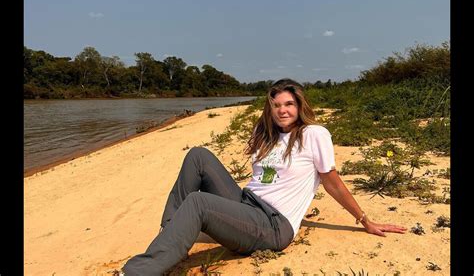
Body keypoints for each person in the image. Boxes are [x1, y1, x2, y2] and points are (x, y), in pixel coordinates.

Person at [121, 78, 407, 275]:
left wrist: (364, 220)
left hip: (272, 224)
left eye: (289, 104)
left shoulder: (314, 134)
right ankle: (170, 236)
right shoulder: (269, 137)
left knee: (198, 203)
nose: (283, 110)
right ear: (270, 110)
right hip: (247, 205)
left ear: (299, 106)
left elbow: (331, 180)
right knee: (198, 155)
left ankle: (137, 273)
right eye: (276, 105)